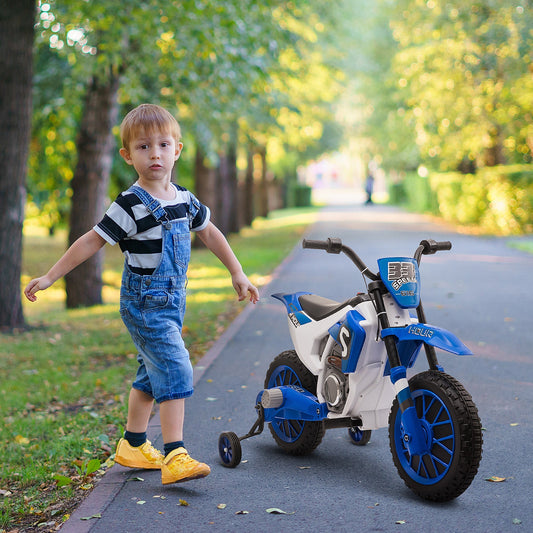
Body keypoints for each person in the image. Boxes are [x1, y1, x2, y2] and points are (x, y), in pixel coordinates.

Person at [24, 104, 259, 485]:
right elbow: (92, 240)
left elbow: (210, 233)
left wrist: (237, 272)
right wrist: (52, 275)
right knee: (175, 366)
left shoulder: (184, 198)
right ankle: (175, 454)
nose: (155, 154)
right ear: (127, 155)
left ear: (177, 150)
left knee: (151, 375)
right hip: (144, 303)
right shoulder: (129, 203)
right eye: (144, 147)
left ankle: (133, 443)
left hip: (172, 304)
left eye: (163, 145)